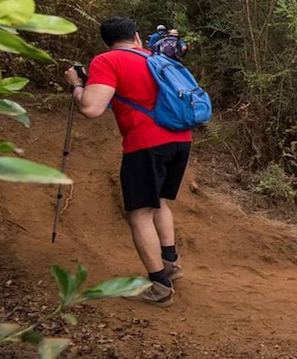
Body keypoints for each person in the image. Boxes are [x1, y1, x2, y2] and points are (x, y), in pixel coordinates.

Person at [64, 17, 191, 307]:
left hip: (146, 144)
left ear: (106, 41)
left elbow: (92, 108)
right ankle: (171, 263)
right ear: (137, 36)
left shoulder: (107, 61)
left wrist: (75, 85)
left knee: (139, 214)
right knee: (159, 201)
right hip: (181, 139)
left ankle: (160, 286)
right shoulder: (155, 57)